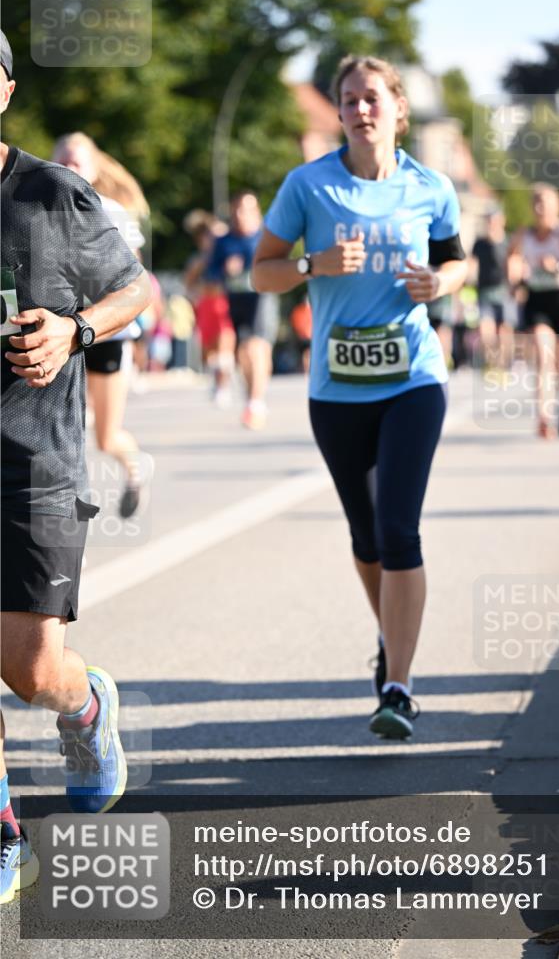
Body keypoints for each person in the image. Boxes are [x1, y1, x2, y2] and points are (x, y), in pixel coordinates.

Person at [252, 55, 467, 738]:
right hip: (337, 391)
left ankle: (398, 686)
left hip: (412, 380)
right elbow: (260, 274)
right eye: (348, 100)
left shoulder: (429, 187)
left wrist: (443, 283)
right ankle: (390, 637)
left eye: (371, 97)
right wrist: (312, 264)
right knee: (366, 537)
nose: (359, 109)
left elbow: (459, 257)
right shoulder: (307, 186)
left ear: (397, 108)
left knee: (400, 529)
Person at [0, 31, 152, 904]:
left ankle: (86, 703)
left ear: (7, 92)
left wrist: (76, 329)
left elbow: (138, 289)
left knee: (29, 672)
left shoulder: (53, 192)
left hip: (38, 463)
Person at [51, 132, 149, 516]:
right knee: (62, 436)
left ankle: (134, 470)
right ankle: (65, 531)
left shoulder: (109, 210)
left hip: (106, 334)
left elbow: (134, 280)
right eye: (64, 161)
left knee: (106, 438)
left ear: (92, 170)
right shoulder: (32, 209)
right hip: (60, 336)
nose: (70, 169)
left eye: (78, 163)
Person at [507, 184, 559, 438]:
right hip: (537, 298)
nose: (538, 207)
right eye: (535, 202)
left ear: (557, 206)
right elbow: (511, 257)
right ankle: (544, 417)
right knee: (543, 358)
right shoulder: (525, 234)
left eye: (543, 202)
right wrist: (516, 277)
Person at [206, 191, 279, 429]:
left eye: (247, 210)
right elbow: (211, 275)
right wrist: (225, 271)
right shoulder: (223, 241)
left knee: (256, 346)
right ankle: (253, 397)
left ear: (257, 213)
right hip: (235, 300)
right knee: (242, 354)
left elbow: (278, 264)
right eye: (236, 210)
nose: (241, 215)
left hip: (261, 298)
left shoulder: (266, 237)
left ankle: (255, 402)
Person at [183, 210, 235, 405]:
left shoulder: (227, 258)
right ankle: (217, 380)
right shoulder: (199, 260)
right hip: (205, 304)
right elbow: (188, 283)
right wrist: (197, 293)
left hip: (225, 303)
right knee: (209, 349)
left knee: (225, 343)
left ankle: (224, 385)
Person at [470, 210, 513, 370]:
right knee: (485, 329)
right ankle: (491, 362)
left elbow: (513, 265)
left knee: (504, 330)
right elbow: (472, 264)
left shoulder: (508, 242)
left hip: (504, 290)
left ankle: (503, 363)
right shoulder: (480, 243)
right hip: (484, 291)